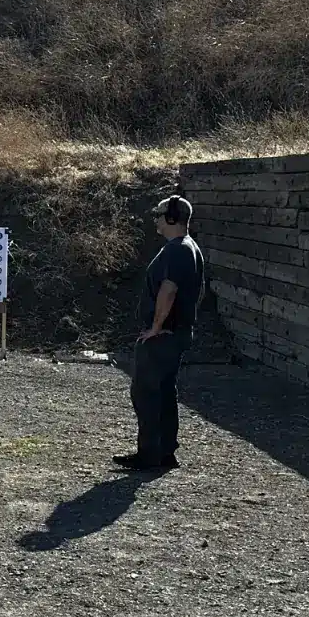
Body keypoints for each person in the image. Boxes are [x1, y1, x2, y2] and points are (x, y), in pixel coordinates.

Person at [119, 195, 205, 473]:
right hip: (175, 333)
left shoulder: (177, 250)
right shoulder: (188, 248)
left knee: (147, 394)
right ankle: (164, 452)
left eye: (159, 214)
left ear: (171, 218)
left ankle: (150, 454)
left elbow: (169, 290)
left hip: (164, 336)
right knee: (165, 393)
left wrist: (156, 327)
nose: (155, 219)